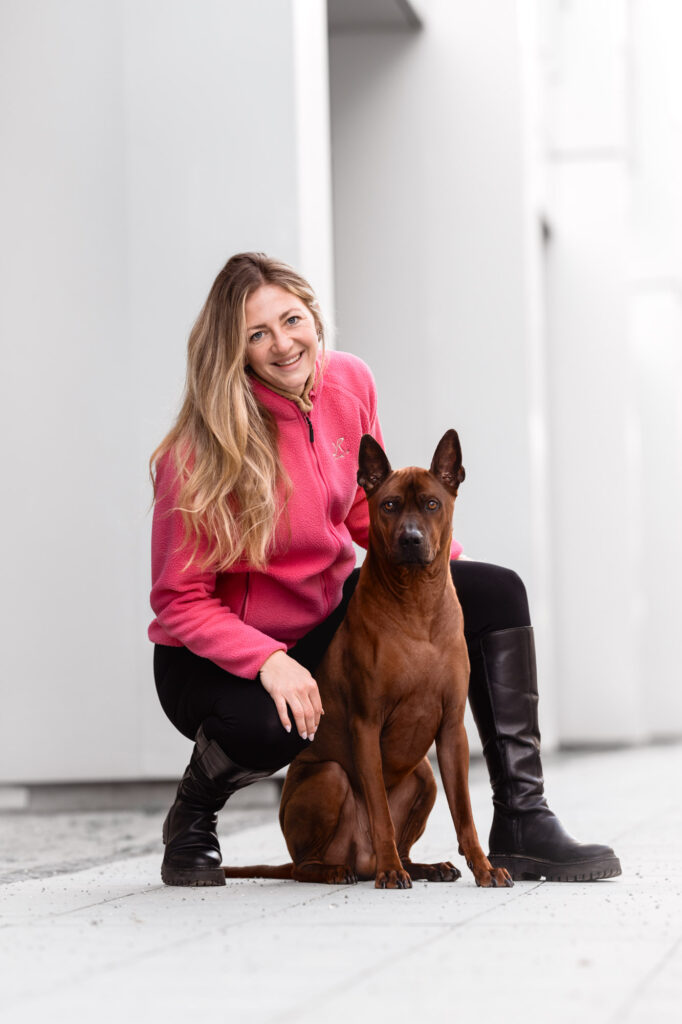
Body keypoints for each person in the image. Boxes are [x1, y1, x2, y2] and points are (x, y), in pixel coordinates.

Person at [149, 252, 621, 887]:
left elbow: (364, 514)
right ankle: (193, 817)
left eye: (292, 320)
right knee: (273, 723)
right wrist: (269, 660)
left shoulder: (349, 382)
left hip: (324, 623)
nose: (283, 344)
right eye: (257, 334)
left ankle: (522, 816)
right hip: (214, 655)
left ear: (314, 317)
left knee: (494, 591)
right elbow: (179, 599)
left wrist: (441, 570)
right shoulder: (199, 450)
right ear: (232, 350)